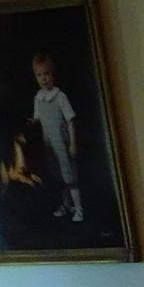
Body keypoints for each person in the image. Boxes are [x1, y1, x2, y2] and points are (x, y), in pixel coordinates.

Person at [30, 50, 83, 223]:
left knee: (69, 174)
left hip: (62, 142)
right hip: (49, 144)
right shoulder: (38, 98)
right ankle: (65, 204)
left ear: (52, 74)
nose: (43, 79)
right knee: (57, 175)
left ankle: (78, 207)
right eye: (39, 75)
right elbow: (38, 118)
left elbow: (70, 120)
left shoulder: (60, 97)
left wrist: (72, 143)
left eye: (46, 74)